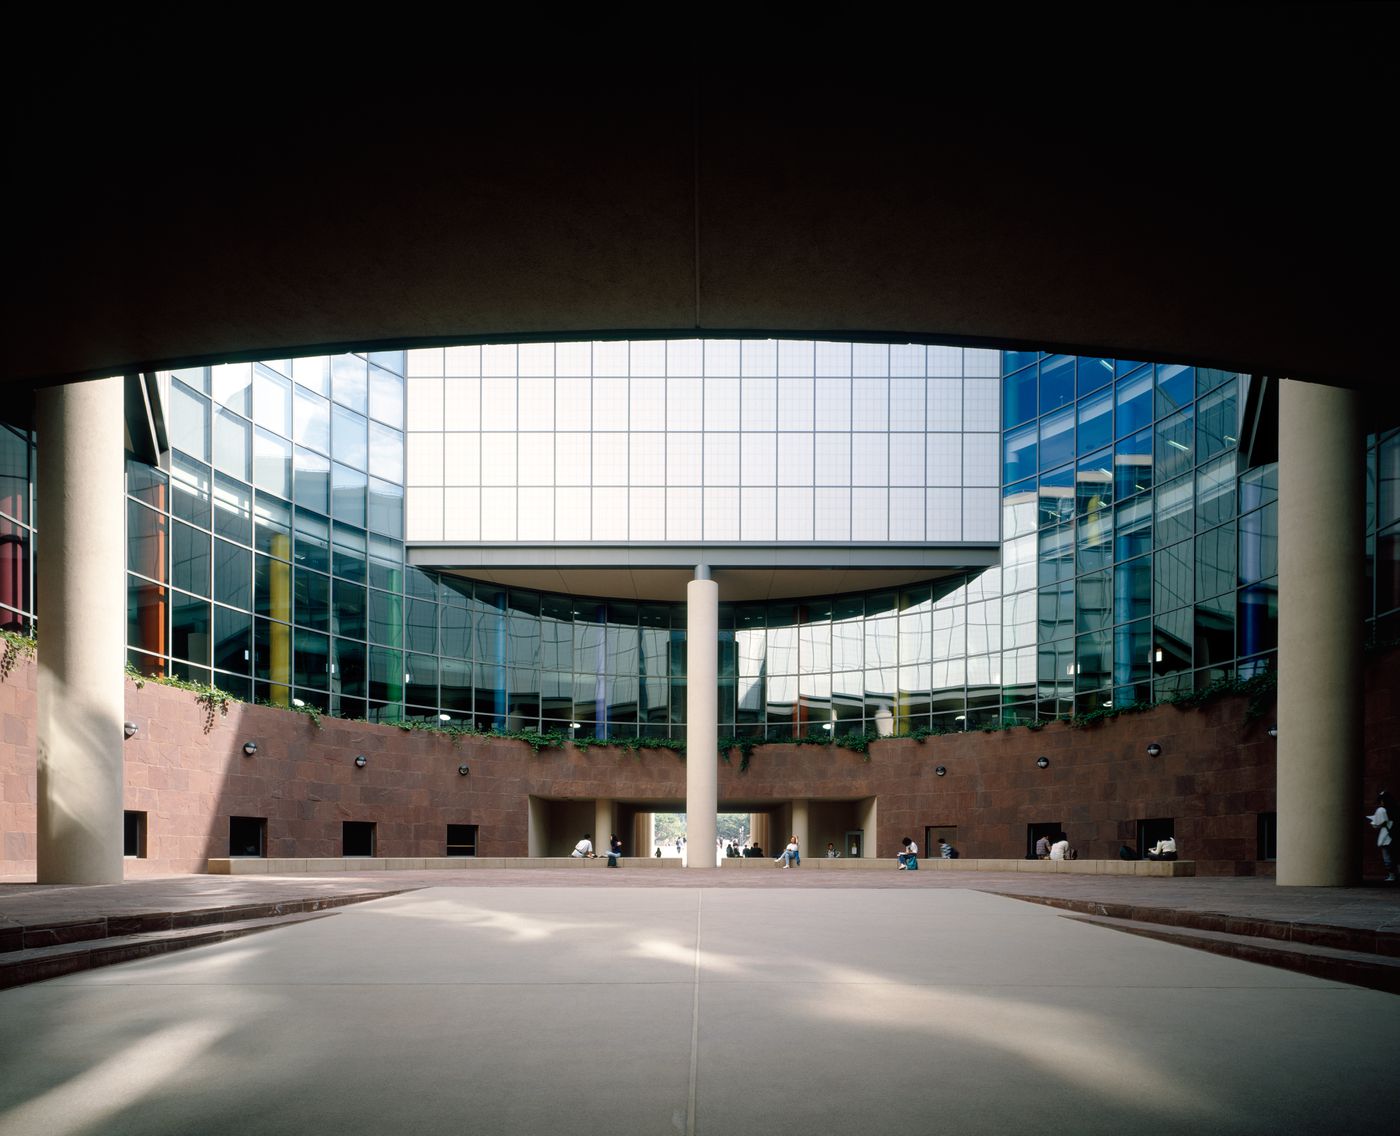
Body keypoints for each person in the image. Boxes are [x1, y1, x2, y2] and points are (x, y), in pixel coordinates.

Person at [1366, 790, 1395, 882]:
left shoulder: (1381, 810)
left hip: (1386, 836)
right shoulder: (1395, 809)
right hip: (1395, 835)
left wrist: (1373, 821)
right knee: (1396, 856)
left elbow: (1377, 824)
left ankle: (1392, 875)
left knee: (1387, 857)